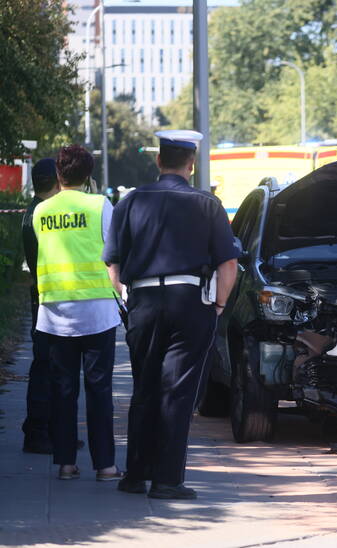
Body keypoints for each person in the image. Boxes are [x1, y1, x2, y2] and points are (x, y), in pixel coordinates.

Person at [103, 130, 239, 500]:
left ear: (158, 161)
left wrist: (127, 300)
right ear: (191, 165)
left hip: (144, 303)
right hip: (189, 301)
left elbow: (113, 263)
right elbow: (228, 265)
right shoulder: (207, 204)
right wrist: (219, 306)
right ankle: (167, 481)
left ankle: (135, 475)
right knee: (176, 392)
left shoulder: (130, 202)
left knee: (144, 387)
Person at [32, 145, 121, 480]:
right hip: (98, 309)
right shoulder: (100, 205)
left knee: (63, 390)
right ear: (89, 175)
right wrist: (122, 295)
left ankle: (66, 463)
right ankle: (106, 465)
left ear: (58, 174)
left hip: (54, 311)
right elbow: (113, 255)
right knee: (99, 390)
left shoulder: (43, 211)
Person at [20, 159, 59, 454]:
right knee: (45, 366)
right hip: (46, 302)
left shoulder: (35, 211)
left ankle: (46, 428)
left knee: (48, 366)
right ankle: (37, 432)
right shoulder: (40, 214)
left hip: (44, 300)